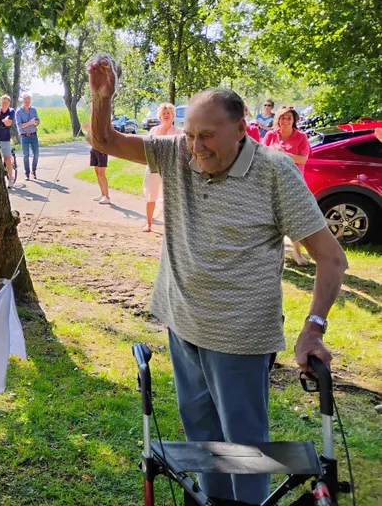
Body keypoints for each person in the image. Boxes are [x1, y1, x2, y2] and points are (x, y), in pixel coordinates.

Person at [87, 54, 347, 505]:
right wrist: (101, 97)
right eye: (190, 135)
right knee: (203, 440)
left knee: (244, 449)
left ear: (241, 128)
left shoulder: (274, 172)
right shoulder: (177, 153)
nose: (196, 147)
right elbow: (104, 138)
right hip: (182, 323)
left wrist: (313, 328)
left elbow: (331, 257)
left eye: (207, 135)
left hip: (240, 338)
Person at [263, 106, 313, 265]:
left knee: (295, 219)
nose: (285, 121)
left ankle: (296, 252)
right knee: (270, 219)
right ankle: (270, 253)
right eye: (282, 118)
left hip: (293, 182)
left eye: (289, 118)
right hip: (272, 181)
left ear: (294, 120)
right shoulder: (271, 135)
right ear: (278, 119)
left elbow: (303, 159)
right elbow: (263, 155)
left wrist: (284, 155)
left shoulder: (301, 137)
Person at [141, 103, 181, 232]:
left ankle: (171, 227)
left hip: (171, 169)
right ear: (159, 116)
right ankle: (149, 224)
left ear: (173, 116)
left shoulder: (179, 132)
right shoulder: (153, 131)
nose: (166, 116)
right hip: (154, 167)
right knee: (150, 196)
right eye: (163, 114)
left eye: (168, 113)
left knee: (171, 198)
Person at [0, 95, 15, 188]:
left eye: (6, 103)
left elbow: (9, 122)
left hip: (5, 138)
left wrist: (6, 121)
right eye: (2, 102)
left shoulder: (11, 111)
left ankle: (10, 179)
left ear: (9, 103)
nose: (4, 104)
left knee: (7, 158)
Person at [16, 93, 41, 181]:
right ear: (22, 101)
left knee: (36, 154)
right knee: (25, 155)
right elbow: (20, 125)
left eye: (28, 101)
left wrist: (36, 122)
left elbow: (37, 121)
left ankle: (33, 170)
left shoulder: (33, 110)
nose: (27, 103)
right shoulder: (18, 112)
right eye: (25, 101)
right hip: (24, 136)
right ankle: (27, 173)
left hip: (33, 135)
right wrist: (30, 122)